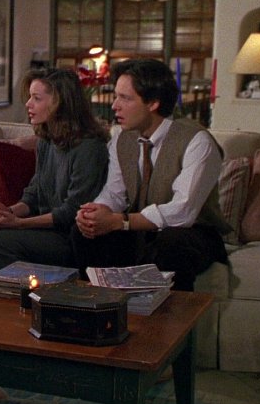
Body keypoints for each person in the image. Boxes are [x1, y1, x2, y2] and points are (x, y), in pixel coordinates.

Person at [72, 58, 230, 291]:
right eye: (116, 96)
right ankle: (98, 304)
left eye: (125, 98)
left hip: (193, 232)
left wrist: (119, 221)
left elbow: (183, 212)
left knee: (171, 242)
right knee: (84, 232)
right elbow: (114, 193)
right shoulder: (122, 138)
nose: (114, 106)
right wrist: (96, 212)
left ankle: (167, 313)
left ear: (153, 103)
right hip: (139, 229)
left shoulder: (196, 141)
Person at [0, 68, 110, 270]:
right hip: (50, 228)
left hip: (74, 236)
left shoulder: (89, 147)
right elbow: (34, 193)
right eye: (30, 97)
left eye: (36, 98)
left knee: (1, 243)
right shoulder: (47, 140)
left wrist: (18, 223)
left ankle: (21, 290)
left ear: (60, 103)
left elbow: (72, 211)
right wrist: (7, 213)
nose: (28, 104)